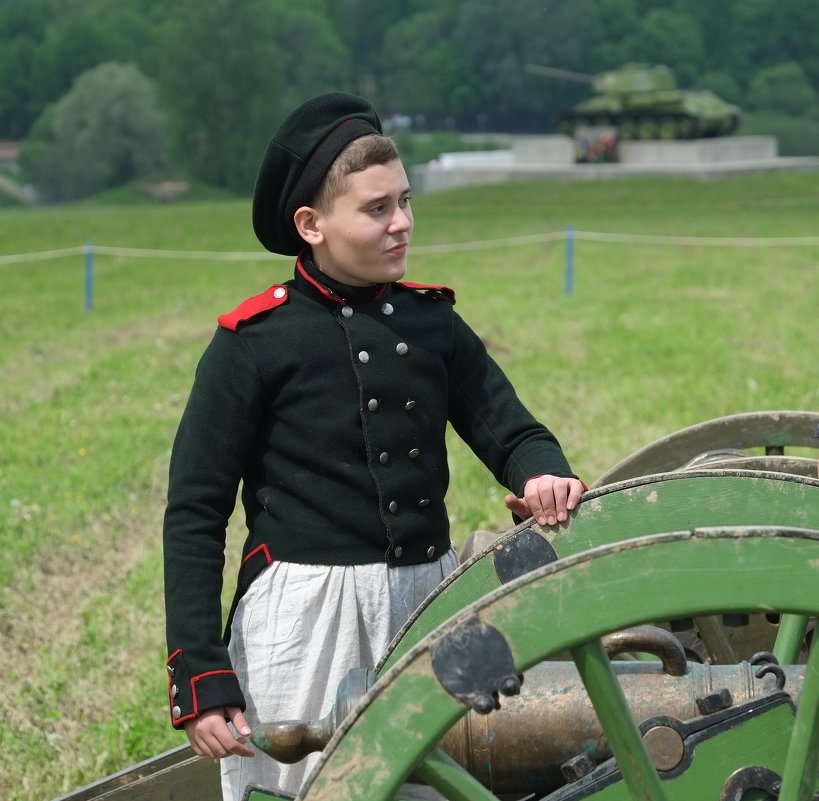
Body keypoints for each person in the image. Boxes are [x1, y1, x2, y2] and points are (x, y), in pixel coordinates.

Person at [162, 92, 585, 800]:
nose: (402, 224)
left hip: (426, 597)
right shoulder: (253, 342)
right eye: (377, 208)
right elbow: (195, 512)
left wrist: (543, 472)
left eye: (405, 201)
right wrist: (200, 675)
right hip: (305, 618)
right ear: (311, 223)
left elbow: (511, 428)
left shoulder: (433, 324)